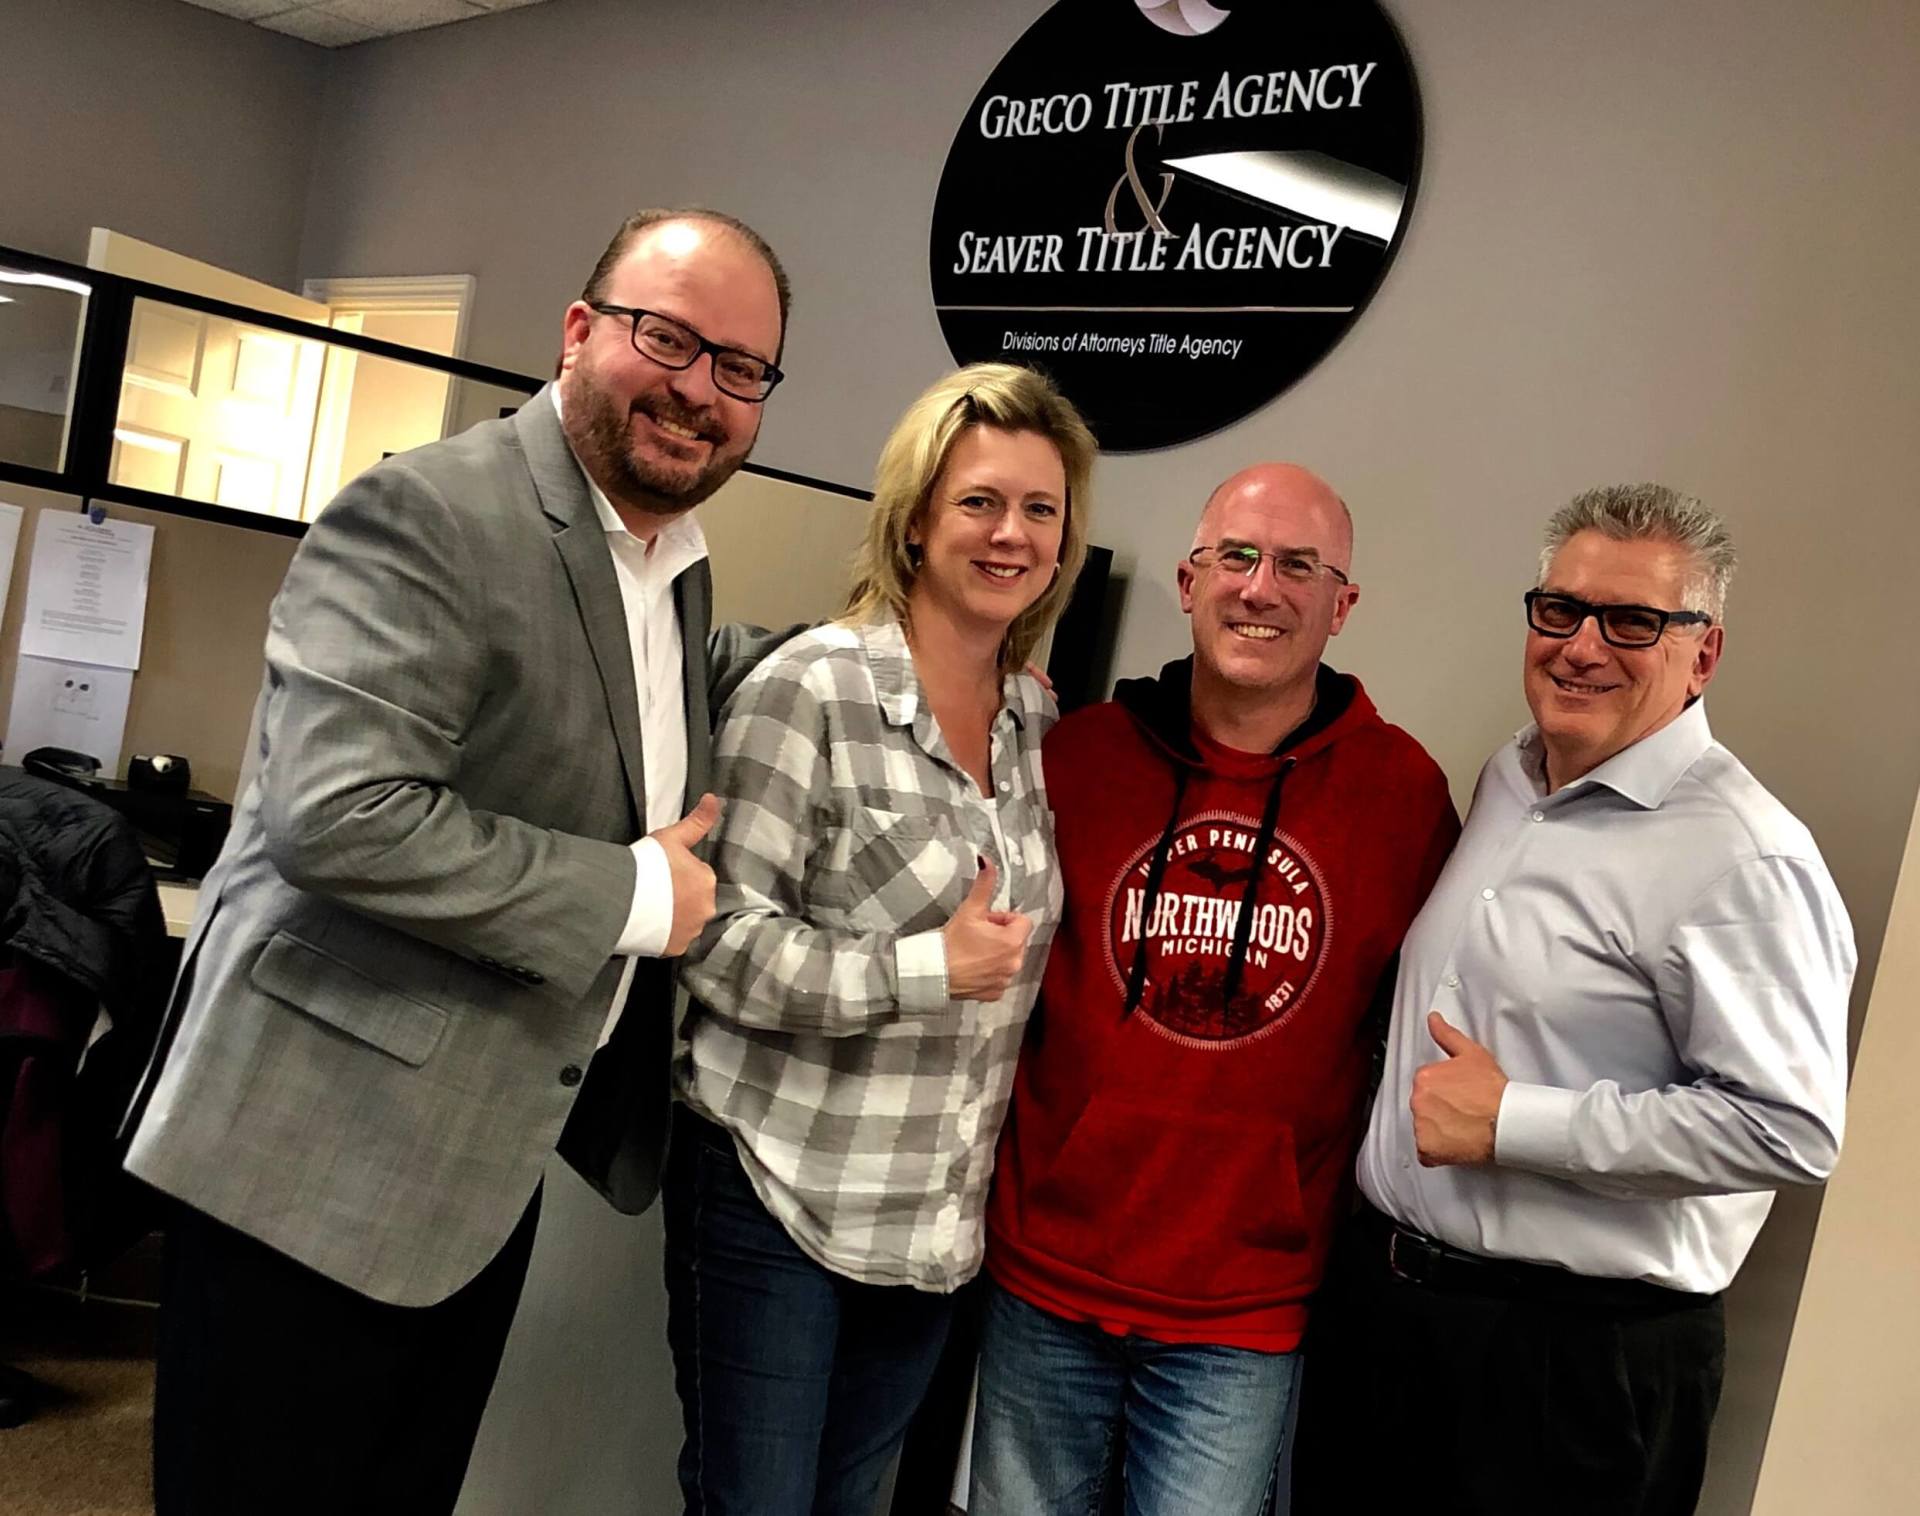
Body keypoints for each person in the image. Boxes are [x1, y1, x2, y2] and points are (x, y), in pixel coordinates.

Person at [122, 207, 791, 1514]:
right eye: (671, 338)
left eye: (743, 369)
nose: (700, 390)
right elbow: (341, 811)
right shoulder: (430, 511)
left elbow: (616, 718)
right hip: (309, 1168)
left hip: (464, 1169)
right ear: (581, 331)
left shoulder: (668, 564)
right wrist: (640, 895)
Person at [1305, 483, 1854, 1515]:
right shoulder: (1510, 779)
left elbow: (1789, 1128)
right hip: (1385, 1320)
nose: (1582, 646)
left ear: (1704, 654)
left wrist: (1516, 1120)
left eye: (1633, 621)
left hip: (1571, 1366)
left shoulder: (1745, 856)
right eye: (1559, 610)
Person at [968, 465, 1460, 1516]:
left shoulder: (1404, 796)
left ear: (1343, 603)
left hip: (1245, 1309)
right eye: (1236, 556)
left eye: (1297, 565)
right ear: (1190, 582)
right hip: (1048, 1269)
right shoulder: (1080, 755)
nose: (1260, 587)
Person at [668, 362, 1097, 1515]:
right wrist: (927, 966)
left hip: (933, 1227)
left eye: (1040, 510)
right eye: (979, 502)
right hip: (782, 1196)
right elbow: (713, 941)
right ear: (914, 520)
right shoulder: (808, 687)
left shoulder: (1044, 724)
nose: (1011, 534)